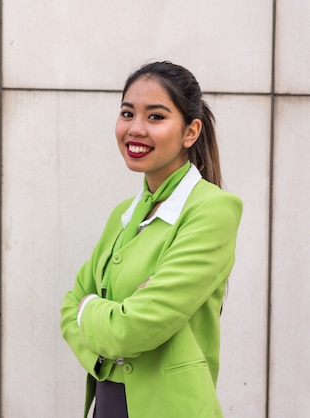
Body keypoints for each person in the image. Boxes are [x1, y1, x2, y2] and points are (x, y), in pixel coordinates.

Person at [60, 61, 242, 418]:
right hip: (107, 404)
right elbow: (69, 307)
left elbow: (133, 328)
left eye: (156, 117)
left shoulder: (213, 210)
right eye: (127, 113)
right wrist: (99, 313)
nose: (135, 128)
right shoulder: (124, 213)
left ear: (190, 132)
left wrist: (90, 309)